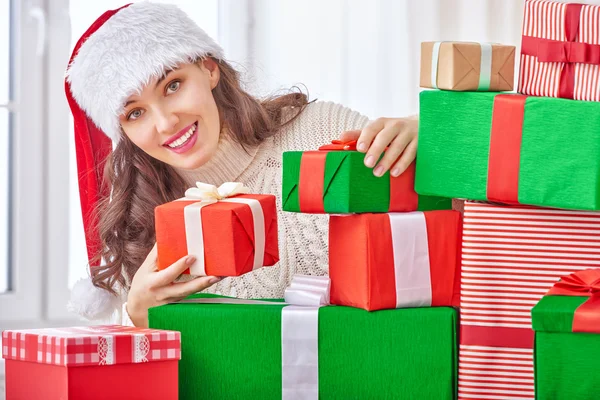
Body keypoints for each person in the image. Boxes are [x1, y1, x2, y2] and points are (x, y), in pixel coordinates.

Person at [65, 2, 419, 327]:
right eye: (135, 113)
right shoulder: (140, 227)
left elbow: (440, 237)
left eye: (173, 85)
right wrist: (138, 317)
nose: (165, 123)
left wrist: (433, 139)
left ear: (209, 70)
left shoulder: (323, 130)